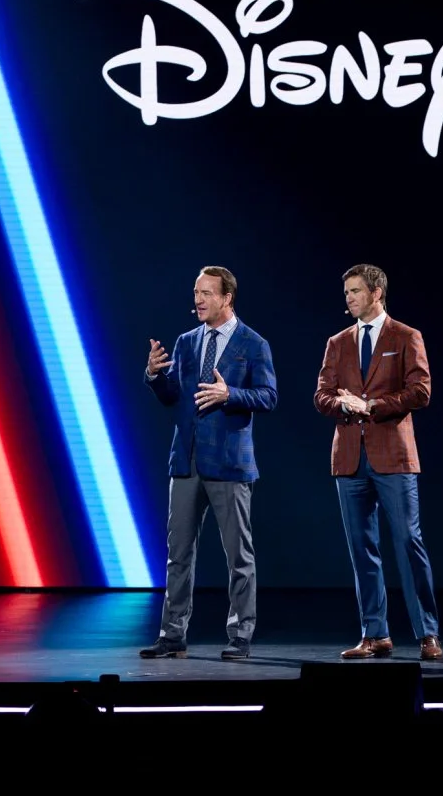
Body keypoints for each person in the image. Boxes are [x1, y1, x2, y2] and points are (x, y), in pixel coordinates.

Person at [138, 266, 276, 661]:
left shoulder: (253, 343)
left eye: (206, 293)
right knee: (177, 553)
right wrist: (153, 375)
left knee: (238, 556)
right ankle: (172, 634)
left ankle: (240, 635)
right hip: (186, 461)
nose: (198, 299)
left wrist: (230, 394)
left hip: (230, 464)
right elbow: (174, 396)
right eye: (196, 292)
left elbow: (268, 396)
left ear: (227, 297)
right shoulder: (186, 342)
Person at [314, 263, 442, 660]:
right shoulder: (338, 342)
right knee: (362, 549)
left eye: (355, 291)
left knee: (408, 543)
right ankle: (375, 634)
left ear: (376, 293)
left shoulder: (405, 336)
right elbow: (322, 396)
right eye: (346, 292)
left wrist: (372, 405)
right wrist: (343, 404)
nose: (348, 298)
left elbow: (420, 392)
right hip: (350, 459)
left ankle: (427, 633)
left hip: (394, 457)